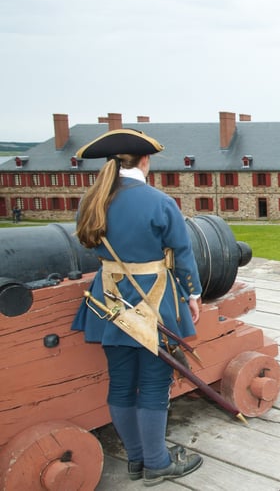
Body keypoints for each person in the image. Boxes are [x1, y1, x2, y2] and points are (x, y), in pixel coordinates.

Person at [70, 129, 204, 486]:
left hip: (109, 302)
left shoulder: (92, 200)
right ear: (144, 160)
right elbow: (181, 254)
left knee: (121, 384)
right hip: (154, 300)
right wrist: (193, 295)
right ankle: (157, 463)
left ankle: (136, 460)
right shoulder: (159, 202)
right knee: (155, 385)